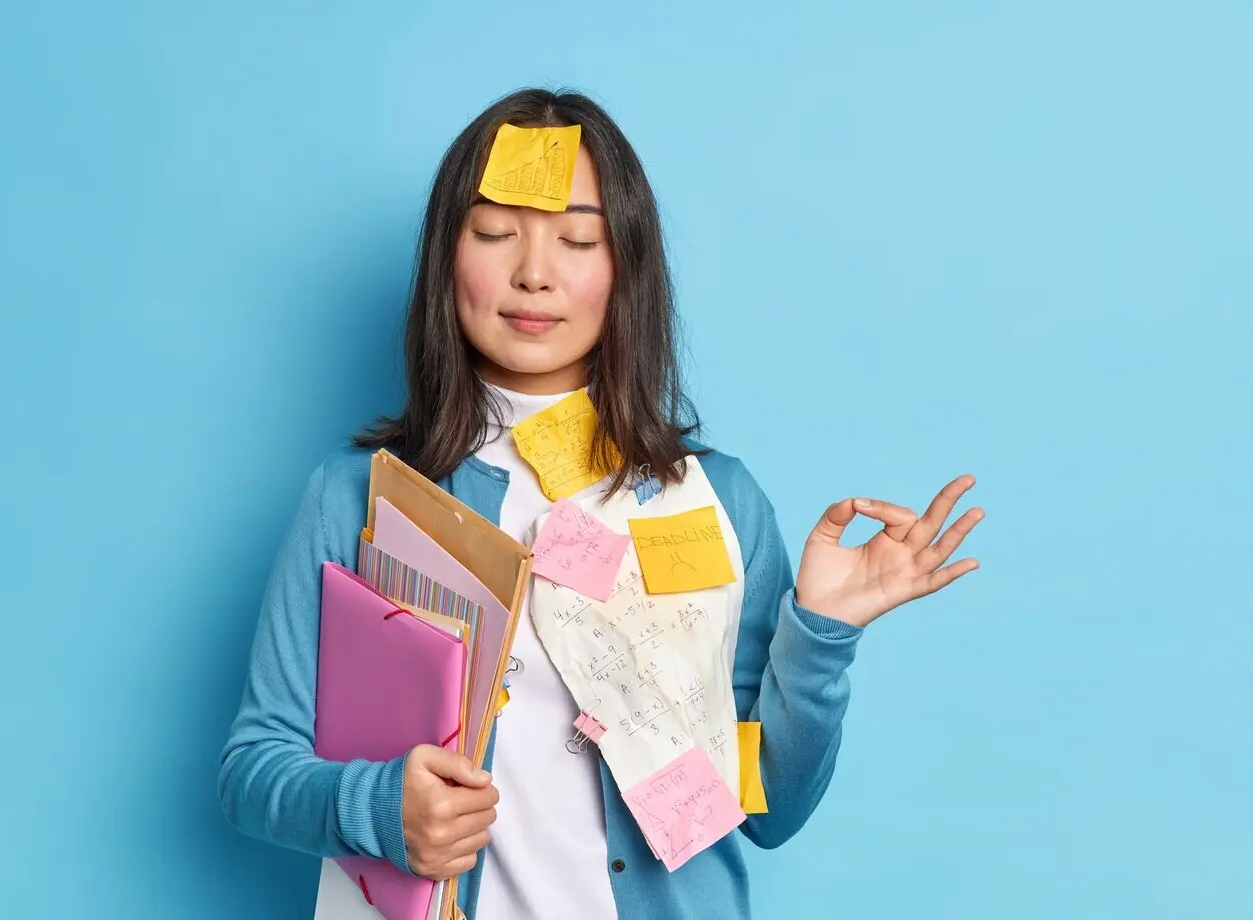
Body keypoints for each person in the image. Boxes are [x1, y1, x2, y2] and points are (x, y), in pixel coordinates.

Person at [218, 87, 983, 920]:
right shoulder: (358, 494)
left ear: (625, 267)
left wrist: (822, 637)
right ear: (447, 257)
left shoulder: (719, 501)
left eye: (577, 239)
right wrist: (376, 809)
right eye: (495, 233)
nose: (533, 273)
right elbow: (254, 768)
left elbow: (764, 811)